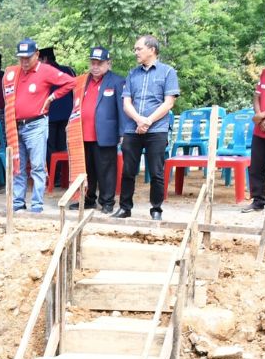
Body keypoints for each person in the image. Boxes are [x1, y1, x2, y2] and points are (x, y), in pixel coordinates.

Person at [5, 39, 76, 214]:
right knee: (18, 166)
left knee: (37, 166)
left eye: (28, 57)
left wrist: (52, 97)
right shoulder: (13, 73)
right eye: (21, 58)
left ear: (37, 55)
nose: (24, 61)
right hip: (16, 125)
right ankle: (18, 202)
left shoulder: (45, 70)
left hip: (36, 124)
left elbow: (71, 82)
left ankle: (37, 204)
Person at [119, 35, 179, 220]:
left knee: (156, 172)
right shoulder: (132, 74)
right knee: (128, 170)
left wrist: (148, 121)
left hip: (157, 129)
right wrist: (139, 120)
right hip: (132, 128)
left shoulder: (168, 72)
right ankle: (125, 208)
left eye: (138, 49)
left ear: (151, 49)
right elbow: (126, 102)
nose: (135, 52)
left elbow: (169, 103)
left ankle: (156, 209)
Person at [68, 47, 125, 214]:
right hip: (82, 133)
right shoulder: (82, 81)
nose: (95, 66)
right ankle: (88, 199)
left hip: (105, 134)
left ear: (108, 63)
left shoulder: (116, 81)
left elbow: (122, 109)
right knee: (87, 170)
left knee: (106, 170)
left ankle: (107, 202)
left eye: (99, 63)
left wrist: (122, 133)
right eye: (93, 62)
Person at [41, 47, 77, 188]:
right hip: (67, 115)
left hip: (50, 114)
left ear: (44, 59)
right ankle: (64, 177)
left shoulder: (44, 72)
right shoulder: (68, 70)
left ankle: (53, 176)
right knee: (64, 147)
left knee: (50, 148)